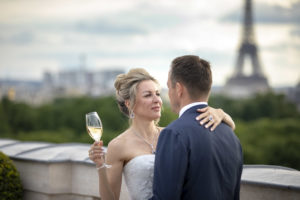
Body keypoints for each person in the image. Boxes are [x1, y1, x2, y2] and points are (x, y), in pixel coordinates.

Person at [88, 68, 236, 200]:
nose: (157, 100)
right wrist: (100, 166)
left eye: (158, 94)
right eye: (148, 95)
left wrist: (222, 115)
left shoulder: (174, 134)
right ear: (129, 103)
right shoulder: (118, 145)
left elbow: (213, 140)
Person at [150, 55, 243, 200]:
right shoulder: (231, 135)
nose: (168, 93)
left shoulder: (174, 133)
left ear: (179, 89)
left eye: (169, 87)